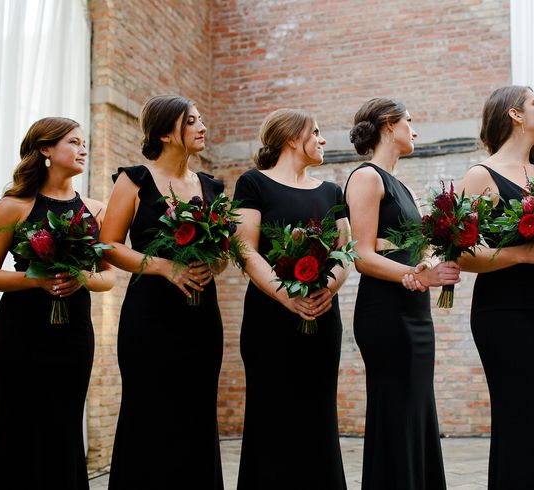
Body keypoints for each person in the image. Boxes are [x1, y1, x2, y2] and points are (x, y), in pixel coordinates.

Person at [100, 95, 225, 488]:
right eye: (191, 121)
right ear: (166, 133)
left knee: (197, 411)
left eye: (201, 120)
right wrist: (164, 267)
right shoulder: (133, 179)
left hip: (201, 313)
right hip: (150, 317)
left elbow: (225, 250)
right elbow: (109, 245)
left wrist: (214, 263)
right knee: (149, 411)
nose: (202, 127)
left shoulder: (211, 185)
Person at [456, 86, 534, 489]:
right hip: (504, 314)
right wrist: (524, 255)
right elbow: (462, 254)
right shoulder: (480, 175)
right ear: (515, 115)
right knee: (519, 416)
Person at [0, 117, 115, 489]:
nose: (83, 149)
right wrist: (36, 278)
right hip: (20, 334)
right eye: (73, 142)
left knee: (64, 424)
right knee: (18, 424)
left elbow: (108, 277)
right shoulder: (13, 206)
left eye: (84, 143)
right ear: (45, 149)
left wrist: (81, 277)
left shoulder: (96, 209)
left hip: (73, 333)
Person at [344, 97, 460, 490]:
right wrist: (415, 273)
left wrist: (427, 263)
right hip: (386, 314)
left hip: (415, 309)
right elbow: (361, 256)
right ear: (389, 125)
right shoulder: (367, 177)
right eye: (409, 121)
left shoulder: (402, 184)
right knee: (396, 411)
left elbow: (418, 243)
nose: (415, 129)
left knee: (416, 410)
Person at [233, 109, 349, 489]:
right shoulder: (253, 184)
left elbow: (347, 251)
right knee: (272, 415)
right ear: (290, 138)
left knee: (318, 416)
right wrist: (287, 296)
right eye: (315, 132)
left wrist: (328, 288)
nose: (322, 139)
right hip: (270, 321)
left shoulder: (332, 191)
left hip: (321, 317)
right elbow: (245, 249)